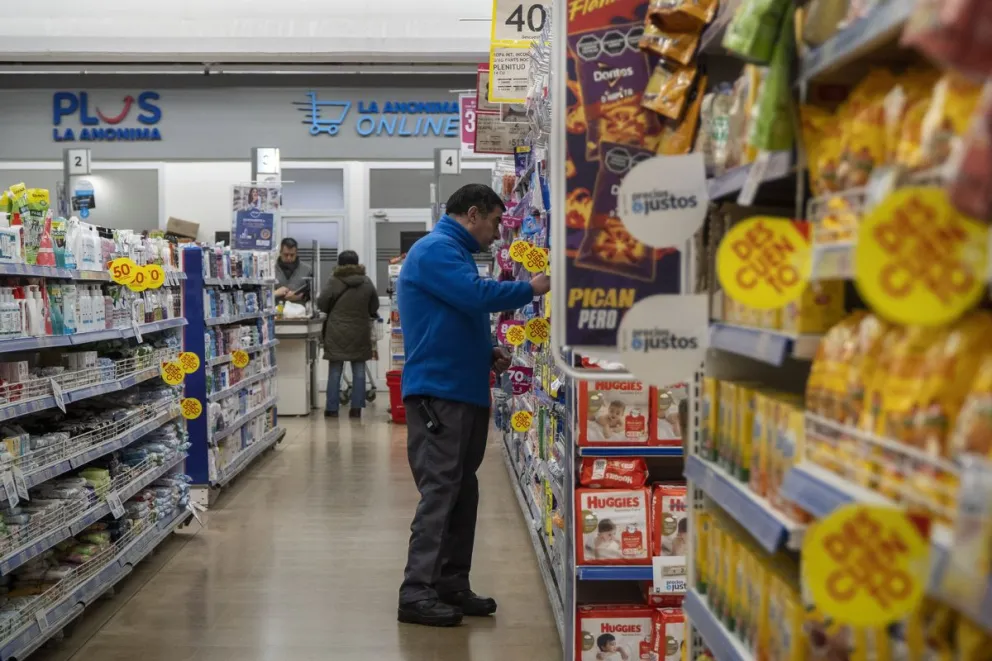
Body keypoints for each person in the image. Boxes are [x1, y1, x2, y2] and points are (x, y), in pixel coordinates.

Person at [396, 183, 551, 627]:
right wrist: (531, 287)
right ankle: (416, 591)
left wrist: (486, 351)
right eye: (496, 221)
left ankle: (451, 583)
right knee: (441, 491)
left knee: (463, 489)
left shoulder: (455, 253)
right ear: (472, 213)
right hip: (438, 395)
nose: (499, 233)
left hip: (462, 389)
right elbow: (475, 297)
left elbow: (454, 315)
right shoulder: (435, 250)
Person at [316, 250, 379, 419]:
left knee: (335, 369)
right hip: (360, 330)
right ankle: (356, 408)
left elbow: (322, 303)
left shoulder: (334, 280)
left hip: (336, 330)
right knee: (359, 370)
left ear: (339, 264)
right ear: (357, 263)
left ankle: (331, 409)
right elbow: (374, 306)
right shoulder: (366, 282)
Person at [275, 237, 312, 303]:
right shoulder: (271, 270)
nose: (289, 258)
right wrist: (275, 293)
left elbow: (313, 294)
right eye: (286, 255)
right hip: (277, 312)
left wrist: (299, 296)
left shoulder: (307, 270)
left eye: (292, 255)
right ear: (280, 252)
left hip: (299, 312)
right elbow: (262, 295)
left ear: (296, 253)